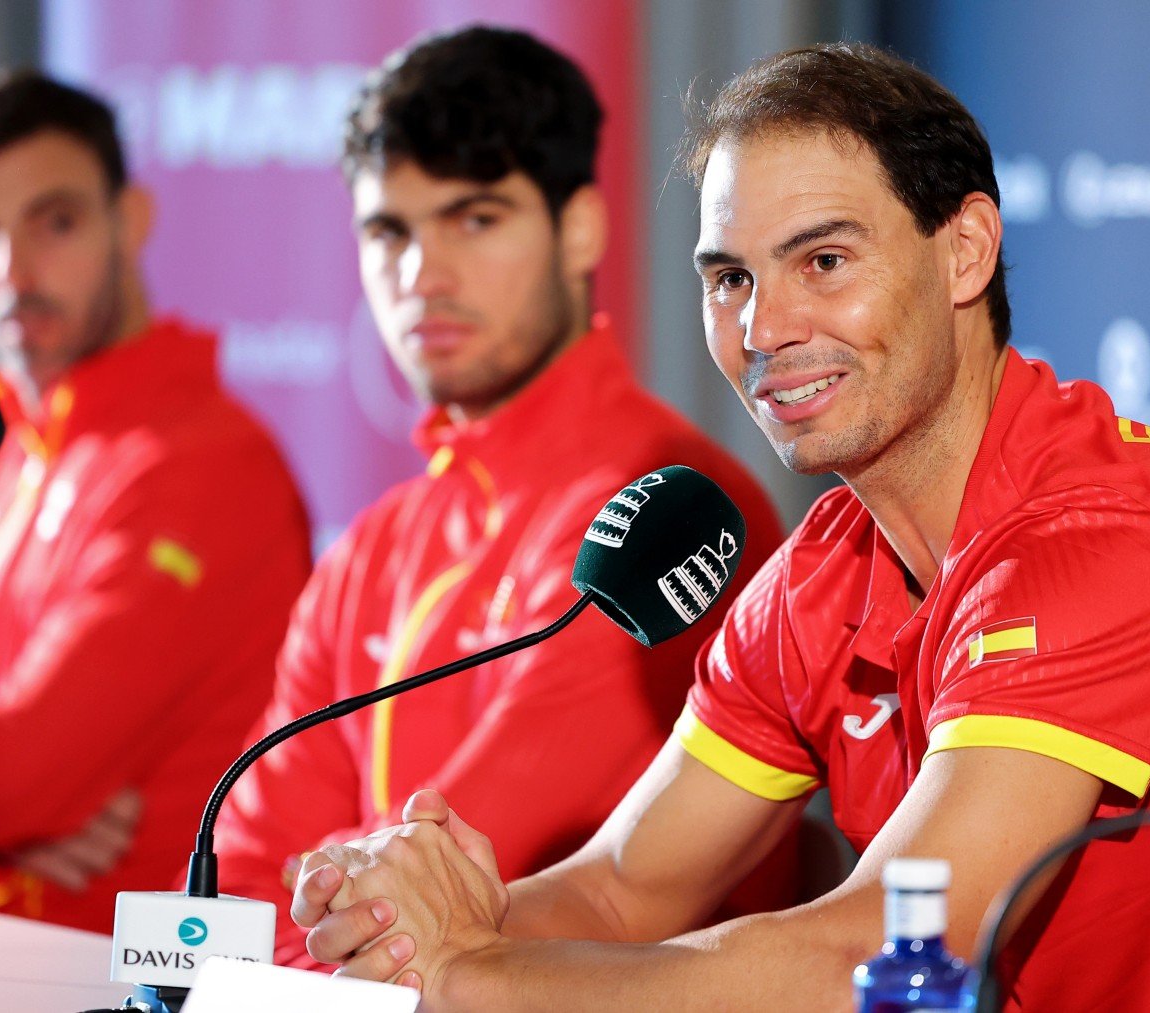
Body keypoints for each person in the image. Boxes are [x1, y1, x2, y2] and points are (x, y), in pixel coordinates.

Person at [291, 43, 1150, 1009]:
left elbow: (865, 960)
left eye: (824, 260)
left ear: (965, 249)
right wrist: (414, 920)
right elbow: (619, 892)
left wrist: (470, 970)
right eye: (730, 278)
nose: (765, 327)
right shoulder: (818, 577)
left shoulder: (1097, 541)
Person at [210, 26, 788, 967]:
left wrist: (276, 958)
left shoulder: (666, 515)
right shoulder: (375, 546)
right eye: (389, 231)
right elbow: (235, 874)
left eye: (475, 219)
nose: (422, 277)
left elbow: (460, 892)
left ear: (582, 229)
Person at [0, 70, 311, 933]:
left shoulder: (206, 467)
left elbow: (0, 786)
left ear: (131, 221)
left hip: (120, 976)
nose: (13, 270)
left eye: (56, 221)